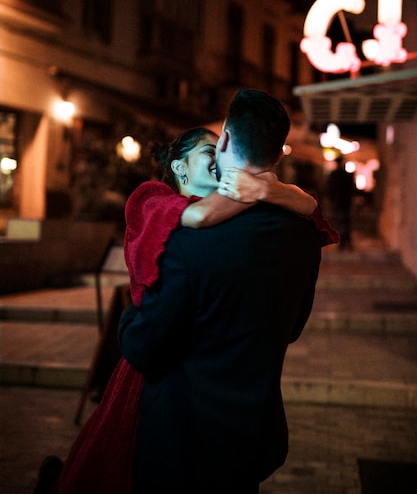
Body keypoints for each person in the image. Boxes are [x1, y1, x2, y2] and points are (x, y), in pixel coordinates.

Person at [38, 119, 337, 494]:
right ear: (179, 167)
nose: (220, 160)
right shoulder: (161, 207)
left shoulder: (241, 221)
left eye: (222, 152)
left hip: (198, 424)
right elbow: (199, 218)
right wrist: (266, 189)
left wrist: (268, 191)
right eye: (208, 152)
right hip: (185, 410)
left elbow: (306, 206)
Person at [118, 89, 330, 494]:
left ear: (227, 141)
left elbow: (143, 348)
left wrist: (130, 314)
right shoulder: (304, 234)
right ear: (278, 155)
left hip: (183, 444)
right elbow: (291, 328)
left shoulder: (184, 243)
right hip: (250, 440)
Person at [326, 154, 355, 250]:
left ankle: (345, 242)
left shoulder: (337, 175)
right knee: (344, 221)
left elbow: (331, 189)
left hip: (341, 202)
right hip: (343, 202)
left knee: (342, 221)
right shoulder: (343, 175)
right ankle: (345, 242)